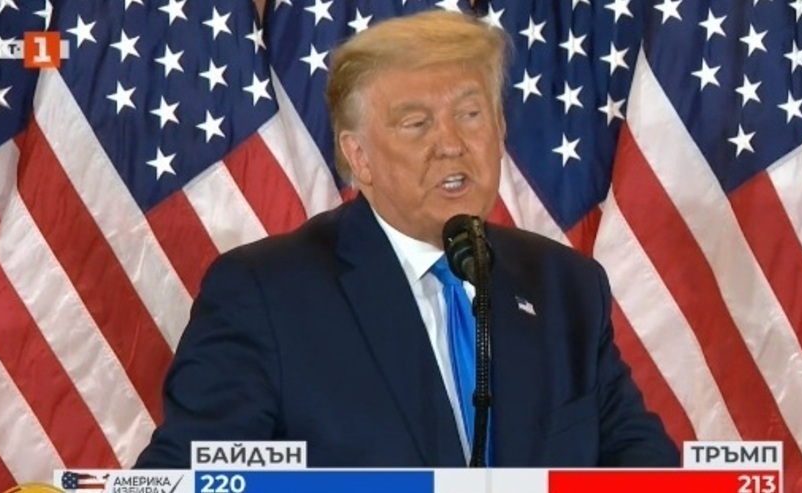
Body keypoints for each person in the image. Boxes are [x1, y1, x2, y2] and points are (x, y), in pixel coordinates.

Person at [135, 10, 678, 468]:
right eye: (416, 124)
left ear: (500, 132)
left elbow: (645, 470)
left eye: (470, 114)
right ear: (359, 157)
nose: (451, 144)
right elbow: (191, 475)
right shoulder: (266, 296)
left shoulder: (566, 287)